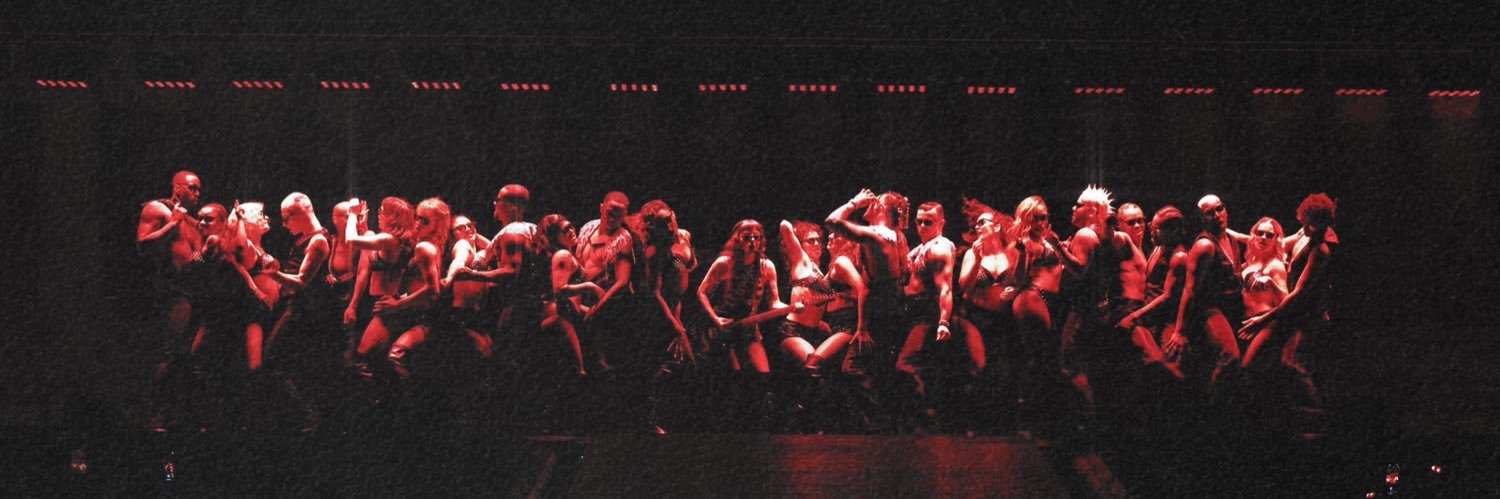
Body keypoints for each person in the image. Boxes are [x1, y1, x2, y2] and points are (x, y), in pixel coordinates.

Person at [1239, 194, 1338, 408]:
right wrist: (1233, 234)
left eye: (1310, 225)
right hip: (1294, 312)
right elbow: (1272, 241)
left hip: (1308, 314)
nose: (1305, 228)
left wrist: (1263, 319)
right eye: (1304, 222)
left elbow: (1298, 294)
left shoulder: (1320, 250)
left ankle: (1320, 413)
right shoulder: (1305, 232)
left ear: (1321, 224)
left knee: (1293, 364)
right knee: (1283, 365)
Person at [136, 171, 205, 430]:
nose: (197, 194)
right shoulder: (158, 208)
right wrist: (171, 225)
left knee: (187, 354)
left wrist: (202, 254)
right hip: (170, 290)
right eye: (192, 188)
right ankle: (155, 416)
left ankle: (182, 415)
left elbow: (194, 256)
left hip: (191, 291)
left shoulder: (193, 221)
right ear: (177, 188)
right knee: (171, 351)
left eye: (199, 190)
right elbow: (143, 243)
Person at [1167, 194, 1244, 385]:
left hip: (1231, 309)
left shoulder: (1231, 239)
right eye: (1210, 213)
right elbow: (1189, 289)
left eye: (1220, 209)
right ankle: (1213, 401)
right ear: (1202, 219)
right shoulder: (1205, 245)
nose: (1217, 215)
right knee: (1230, 357)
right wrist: (1179, 331)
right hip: (1209, 309)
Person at [696, 220, 784, 373]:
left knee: (763, 372)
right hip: (724, 326)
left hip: (748, 328)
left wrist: (793, 308)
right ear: (737, 239)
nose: (752, 242)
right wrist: (716, 319)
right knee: (733, 371)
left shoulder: (767, 266)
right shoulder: (724, 263)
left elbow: (774, 302)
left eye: (757, 237)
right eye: (747, 237)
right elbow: (701, 292)